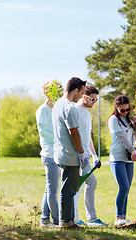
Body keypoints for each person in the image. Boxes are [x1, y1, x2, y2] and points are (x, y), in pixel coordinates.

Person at [52, 77, 88, 230]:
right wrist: (81, 153)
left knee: (68, 189)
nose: (82, 96)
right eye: (82, 92)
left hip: (60, 152)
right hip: (70, 154)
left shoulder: (57, 105)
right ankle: (66, 223)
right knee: (69, 190)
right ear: (75, 90)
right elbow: (74, 132)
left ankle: (69, 221)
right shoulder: (69, 107)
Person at [73, 85, 107, 227]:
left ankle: (91, 219)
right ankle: (74, 218)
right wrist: (80, 154)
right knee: (76, 187)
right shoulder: (74, 110)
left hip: (86, 156)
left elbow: (88, 137)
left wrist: (94, 155)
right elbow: (72, 134)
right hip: (77, 156)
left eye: (96, 100)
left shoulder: (87, 114)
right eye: (92, 99)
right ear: (84, 97)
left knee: (91, 183)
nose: (94, 102)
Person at [108, 95, 136, 226]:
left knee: (127, 189)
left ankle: (123, 217)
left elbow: (133, 138)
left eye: (128, 109)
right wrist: (133, 151)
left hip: (128, 159)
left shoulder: (129, 120)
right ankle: (118, 218)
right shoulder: (113, 120)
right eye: (123, 110)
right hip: (117, 158)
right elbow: (121, 137)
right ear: (116, 107)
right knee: (123, 187)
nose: (125, 112)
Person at [36, 81, 62, 227]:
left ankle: (45, 220)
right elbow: (43, 132)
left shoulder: (55, 109)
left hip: (57, 152)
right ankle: (58, 220)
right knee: (53, 189)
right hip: (49, 153)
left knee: (49, 188)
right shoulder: (43, 110)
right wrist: (60, 138)